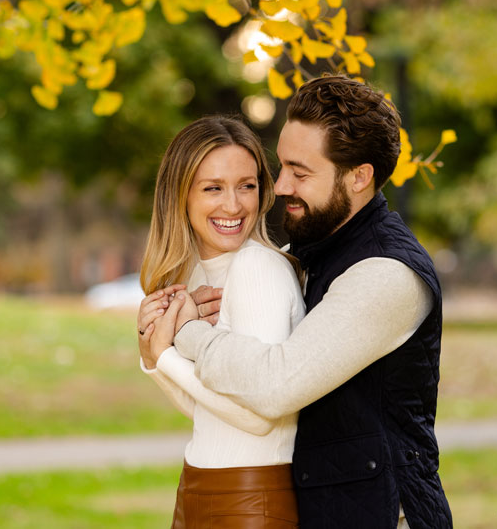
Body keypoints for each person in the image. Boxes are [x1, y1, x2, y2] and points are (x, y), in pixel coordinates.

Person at [153, 75, 453, 529]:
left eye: (300, 172)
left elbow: (276, 387)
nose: (279, 186)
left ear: (359, 177)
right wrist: (160, 349)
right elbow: (232, 399)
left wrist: (185, 332)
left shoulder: (387, 274)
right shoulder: (309, 253)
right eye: (281, 167)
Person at [136, 115, 306, 529]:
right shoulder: (198, 277)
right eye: (213, 188)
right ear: (180, 195)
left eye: (246, 186)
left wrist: (167, 356)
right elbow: (210, 412)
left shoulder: (257, 268)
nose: (233, 205)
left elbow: (259, 417)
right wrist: (154, 360)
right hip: (199, 486)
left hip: (250, 499)